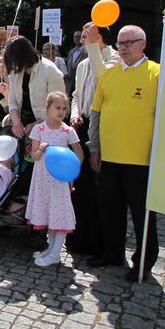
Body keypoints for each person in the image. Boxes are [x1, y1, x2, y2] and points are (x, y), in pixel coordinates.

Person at [86, 25, 160, 281]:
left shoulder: (157, 74)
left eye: (130, 42)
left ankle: (144, 261)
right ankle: (112, 251)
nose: (124, 47)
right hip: (109, 157)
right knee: (110, 209)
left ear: (143, 44)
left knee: (142, 214)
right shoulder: (109, 74)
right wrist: (94, 148)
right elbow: (96, 114)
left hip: (141, 160)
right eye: (120, 43)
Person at [67, 23, 120, 254]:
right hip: (82, 124)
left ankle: (100, 243)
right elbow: (76, 94)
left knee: (99, 188)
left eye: (86, 35)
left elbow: (104, 79)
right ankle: (79, 239)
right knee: (81, 186)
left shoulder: (114, 59)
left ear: (99, 37)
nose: (81, 40)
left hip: (102, 128)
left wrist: (93, 49)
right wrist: (75, 112)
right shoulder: (82, 63)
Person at [27, 91, 84, 267]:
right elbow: (34, 156)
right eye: (57, 107)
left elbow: (79, 154)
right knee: (50, 214)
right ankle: (52, 249)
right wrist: (41, 149)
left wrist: (72, 174)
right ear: (47, 107)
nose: (61, 111)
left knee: (60, 215)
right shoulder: (39, 129)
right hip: (43, 179)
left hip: (60, 181)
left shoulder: (68, 131)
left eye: (64, 108)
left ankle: (55, 252)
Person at [3, 36, 66, 139]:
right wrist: (17, 123)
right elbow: (12, 100)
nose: (14, 65)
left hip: (47, 128)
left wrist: (35, 125)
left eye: (15, 60)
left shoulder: (50, 71)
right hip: (23, 126)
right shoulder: (16, 71)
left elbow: (58, 106)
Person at [65, 29, 87, 96]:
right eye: (75, 37)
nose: (77, 38)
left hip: (81, 83)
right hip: (71, 84)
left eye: (79, 36)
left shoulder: (86, 51)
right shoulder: (71, 52)